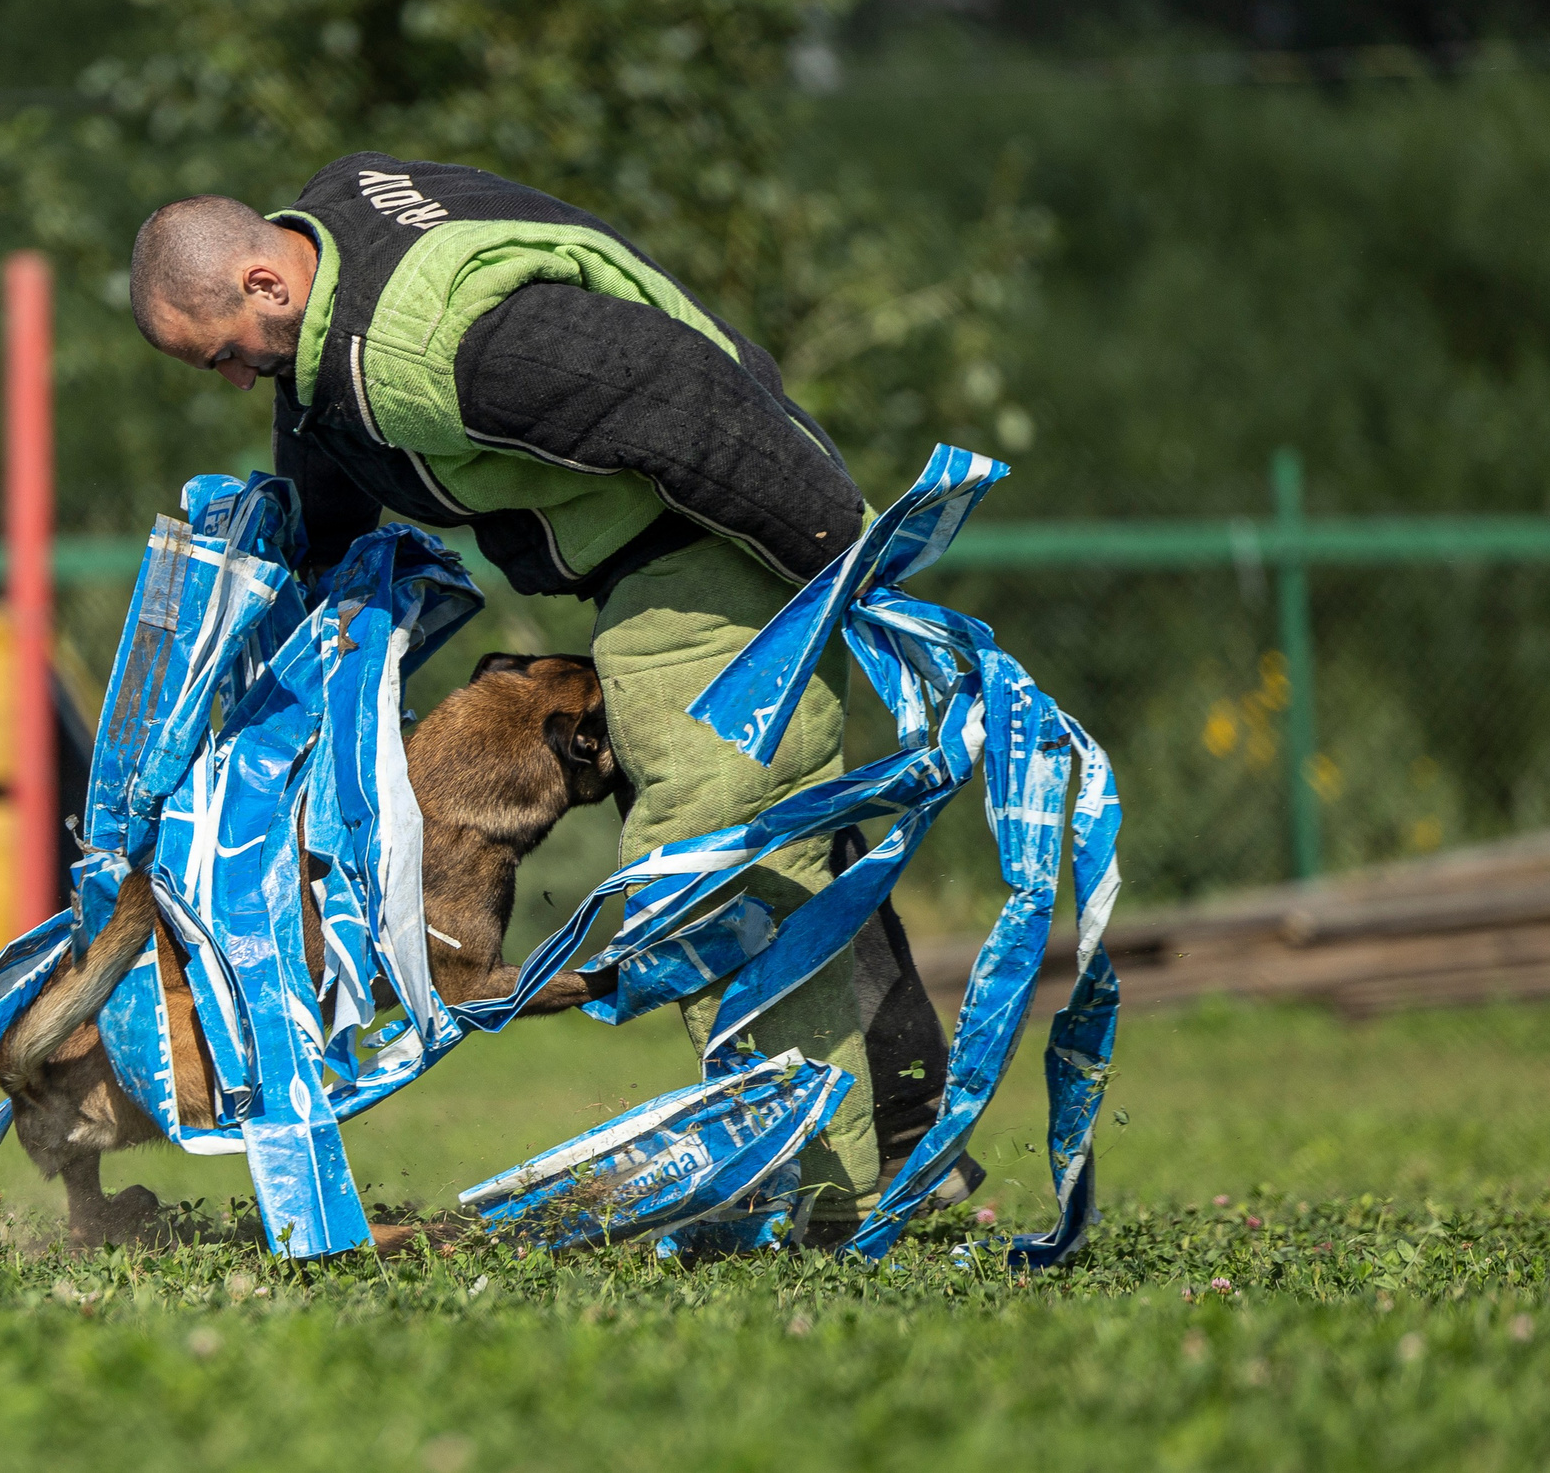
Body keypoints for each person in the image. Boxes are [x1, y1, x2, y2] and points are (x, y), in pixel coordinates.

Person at [126, 152, 975, 1241]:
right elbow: (325, 425)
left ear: (261, 283)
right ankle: (907, 1134)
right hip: (655, 544)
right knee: (772, 829)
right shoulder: (332, 240)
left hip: (718, 532)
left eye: (226, 358)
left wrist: (841, 558)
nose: (240, 380)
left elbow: (686, 396)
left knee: (710, 854)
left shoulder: (439, 348)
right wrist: (292, 615)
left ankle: (822, 1200)